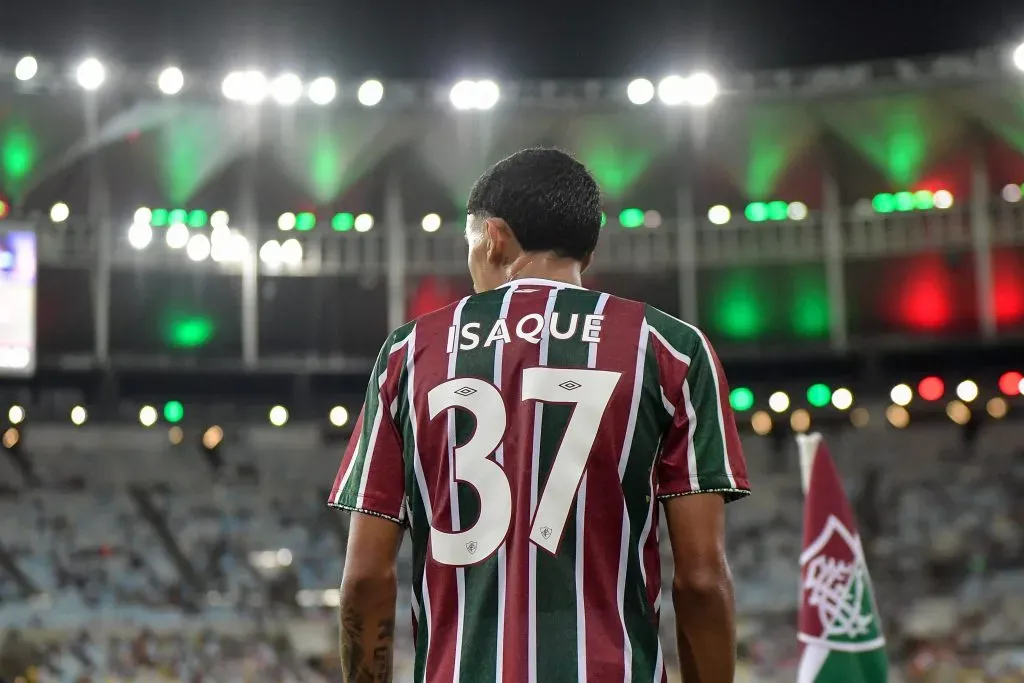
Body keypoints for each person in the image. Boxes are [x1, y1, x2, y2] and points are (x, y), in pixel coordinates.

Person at [329, 148, 750, 683]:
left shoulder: (408, 354)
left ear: (494, 237)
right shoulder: (670, 349)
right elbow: (701, 580)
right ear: (587, 255)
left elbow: (365, 578)